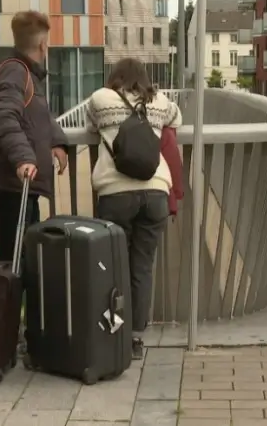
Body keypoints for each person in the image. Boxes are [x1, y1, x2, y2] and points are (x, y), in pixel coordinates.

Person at [86, 58, 182, 360]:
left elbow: (90, 126)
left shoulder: (101, 98)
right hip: (154, 192)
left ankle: (114, 332)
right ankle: (137, 338)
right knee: (142, 267)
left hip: (115, 195)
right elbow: (176, 120)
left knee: (112, 267)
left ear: (114, 76)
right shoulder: (159, 100)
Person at [0, 10, 69, 264]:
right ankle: (8, 306)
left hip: (22, 186)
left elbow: (38, 116)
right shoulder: (15, 72)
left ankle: (19, 304)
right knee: (13, 267)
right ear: (42, 44)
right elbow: (4, 116)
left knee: (26, 263)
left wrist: (58, 141)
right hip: (12, 186)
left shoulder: (26, 74)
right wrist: (24, 159)